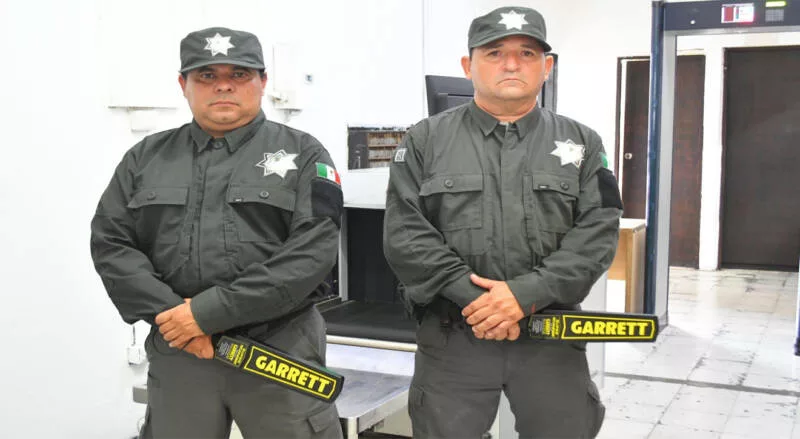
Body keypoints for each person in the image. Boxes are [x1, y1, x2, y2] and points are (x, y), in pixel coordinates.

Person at [90, 26, 344, 439]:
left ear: (263, 82)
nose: (223, 85)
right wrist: (178, 319)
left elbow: (311, 254)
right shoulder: (145, 158)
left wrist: (205, 315)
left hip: (278, 348)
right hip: (179, 349)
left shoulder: (304, 154)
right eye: (206, 75)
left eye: (239, 74)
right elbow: (111, 245)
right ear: (183, 85)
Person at [383, 6, 623, 439]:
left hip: (549, 335)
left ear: (546, 67)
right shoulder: (425, 140)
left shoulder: (583, 143)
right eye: (494, 53)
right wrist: (482, 302)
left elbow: (597, 234)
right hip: (455, 334)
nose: (511, 64)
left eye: (527, 53)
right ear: (467, 65)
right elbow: (405, 234)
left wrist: (525, 295)